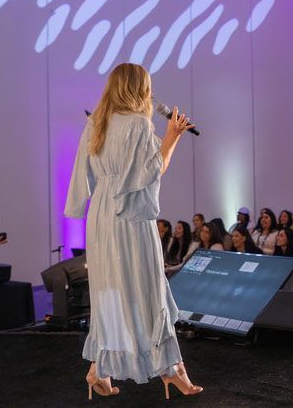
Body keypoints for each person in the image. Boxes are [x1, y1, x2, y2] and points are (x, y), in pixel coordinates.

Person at [64, 63, 201, 399]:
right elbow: (153, 172)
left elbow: (82, 176)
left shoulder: (96, 121)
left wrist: (79, 208)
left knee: (109, 291)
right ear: (140, 88)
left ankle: (99, 370)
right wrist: (172, 136)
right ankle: (173, 370)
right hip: (130, 217)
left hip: (101, 217)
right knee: (147, 288)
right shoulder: (139, 124)